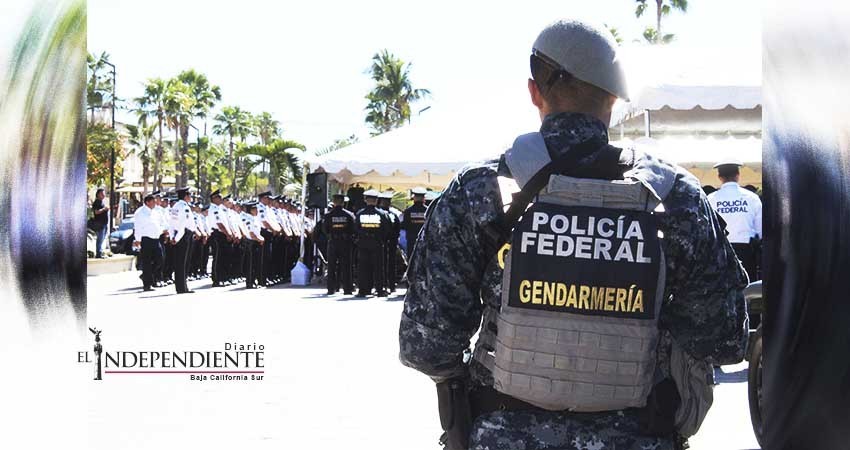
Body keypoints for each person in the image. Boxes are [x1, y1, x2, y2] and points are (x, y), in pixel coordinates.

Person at [398, 19, 748, 450]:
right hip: (639, 435)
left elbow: (425, 344)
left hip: (502, 433)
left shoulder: (480, 191)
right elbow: (725, 338)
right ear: (614, 99)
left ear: (534, 91)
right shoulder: (676, 198)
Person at [707, 160, 763, 281]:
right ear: (738, 175)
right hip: (747, 252)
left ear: (719, 177)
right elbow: (760, 229)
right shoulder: (752, 198)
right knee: (747, 289)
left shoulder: (710, 199)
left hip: (720, 252)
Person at [354, 189, 390, 297]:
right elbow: (387, 229)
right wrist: (381, 239)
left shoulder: (360, 214)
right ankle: (379, 290)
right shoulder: (382, 214)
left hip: (363, 243)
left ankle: (363, 290)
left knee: (363, 268)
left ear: (365, 200)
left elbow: (356, 229)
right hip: (377, 243)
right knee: (378, 268)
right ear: (377, 200)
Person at [323, 193, 355, 294]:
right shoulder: (349, 215)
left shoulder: (328, 215)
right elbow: (353, 229)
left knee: (332, 266)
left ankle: (331, 288)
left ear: (334, 202)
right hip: (345, 242)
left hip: (333, 242)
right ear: (343, 202)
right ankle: (347, 289)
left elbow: (324, 229)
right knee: (346, 266)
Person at [132, 194, 164, 291]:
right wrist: (137, 240)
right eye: (153, 201)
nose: (155, 203)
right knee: (147, 262)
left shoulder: (156, 211)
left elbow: (160, 223)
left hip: (156, 238)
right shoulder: (140, 212)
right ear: (147, 202)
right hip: (146, 239)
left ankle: (146, 275)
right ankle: (147, 284)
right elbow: (137, 227)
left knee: (160, 260)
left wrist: (162, 231)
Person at [169, 187, 197, 294]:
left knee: (182, 262)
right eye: (189, 195)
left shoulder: (176, 206)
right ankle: (182, 287)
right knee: (182, 262)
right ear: (185, 196)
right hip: (183, 235)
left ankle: (182, 286)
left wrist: (173, 236)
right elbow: (182, 225)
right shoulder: (183, 207)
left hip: (179, 235)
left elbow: (171, 223)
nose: (190, 197)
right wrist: (176, 238)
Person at [377, 191, 401, 292]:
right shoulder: (393, 215)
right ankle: (390, 285)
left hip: (383, 242)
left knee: (383, 264)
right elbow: (398, 228)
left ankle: (386, 285)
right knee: (390, 264)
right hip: (390, 242)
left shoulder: (379, 213)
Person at [242, 201, 265, 289]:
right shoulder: (248, 219)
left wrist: (261, 239)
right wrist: (259, 239)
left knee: (255, 263)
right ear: (251, 210)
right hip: (251, 243)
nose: (257, 210)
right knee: (251, 264)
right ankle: (250, 283)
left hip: (256, 243)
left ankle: (253, 281)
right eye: (255, 209)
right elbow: (251, 233)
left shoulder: (254, 218)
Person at [401, 187, 428, 258]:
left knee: (411, 258)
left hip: (411, 240)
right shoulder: (428, 210)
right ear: (423, 198)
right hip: (424, 239)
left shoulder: (408, 211)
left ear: (414, 198)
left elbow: (405, 225)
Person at [90, 188, 109, 258]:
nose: (103, 195)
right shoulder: (97, 202)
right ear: (98, 194)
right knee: (100, 239)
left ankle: (100, 252)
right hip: (99, 224)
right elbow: (96, 212)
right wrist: (104, 209)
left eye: (104, 193)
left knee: (102, 239)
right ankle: (98, 253)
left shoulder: (102, 202)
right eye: (102, 194)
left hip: (104, 223)